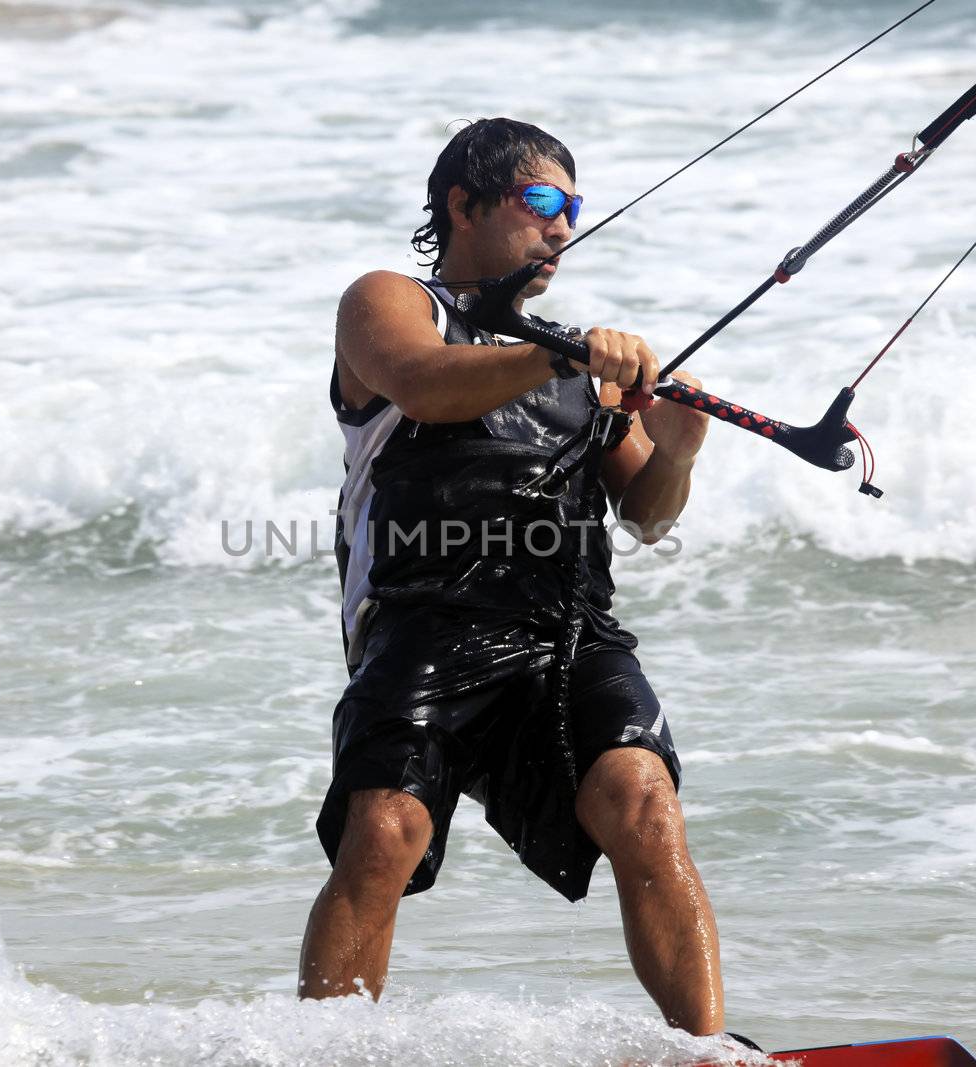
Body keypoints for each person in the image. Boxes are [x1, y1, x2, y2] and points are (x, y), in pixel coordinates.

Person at [300, 117, 723, 1035]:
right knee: (382, 834)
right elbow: (422, 384)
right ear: (464, 202)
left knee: (643, 800)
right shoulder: (390, 302)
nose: (563, 227)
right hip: (421, 624)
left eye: (573, 208)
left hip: (566, 631)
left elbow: (648, 515)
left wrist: (679, 451)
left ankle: (707, 1053)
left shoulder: (582, 367)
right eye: (542, 202)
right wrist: (560, 353)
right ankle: (321, 1053)